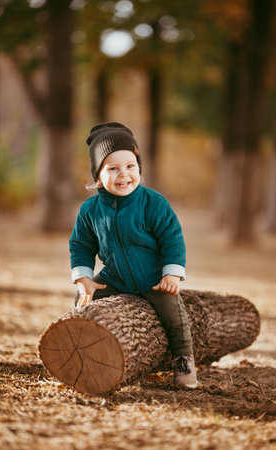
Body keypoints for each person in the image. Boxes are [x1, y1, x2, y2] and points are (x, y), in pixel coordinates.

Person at [69, 122, 197, 389]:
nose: (123, 174)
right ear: (97, 176)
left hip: (153, 278)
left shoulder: (153, 203)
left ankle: (184, 361)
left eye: (130, 166)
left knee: (175, 316)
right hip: (114, 277)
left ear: (139, 168)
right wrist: (84, 278)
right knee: (82, 303)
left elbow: (172, 239)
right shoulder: (90, 210)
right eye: (112, 168)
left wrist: (172, 272)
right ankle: (76, 351)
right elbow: (81, 245)